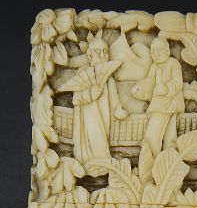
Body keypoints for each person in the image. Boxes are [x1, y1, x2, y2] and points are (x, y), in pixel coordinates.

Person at [58, 31, 128, 166]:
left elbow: (114, 98)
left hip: (105, 116)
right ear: (90, 56)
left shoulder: (108, 78)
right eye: (97, 52)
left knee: (103, 137)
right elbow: (76, 99)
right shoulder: (83, 73)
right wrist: (91, 94)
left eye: (105, 51)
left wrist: (118, 109)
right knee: (94, 139)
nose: (102, 55)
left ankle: (102, 165)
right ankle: (94, 164)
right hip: (88, 116)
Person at [132, 35, 184, 167]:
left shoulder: (173, 63)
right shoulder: (155, 66)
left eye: (159, 50)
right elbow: (149, 82)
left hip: (169, 104)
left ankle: (153, 165)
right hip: (159, 104)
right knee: (166, 136)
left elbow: (178, 82)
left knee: (155, 135)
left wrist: (167, 89)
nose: (156, 53)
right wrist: (140, 88)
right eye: (153, 51)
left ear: (167, 51)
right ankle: (158, 166)